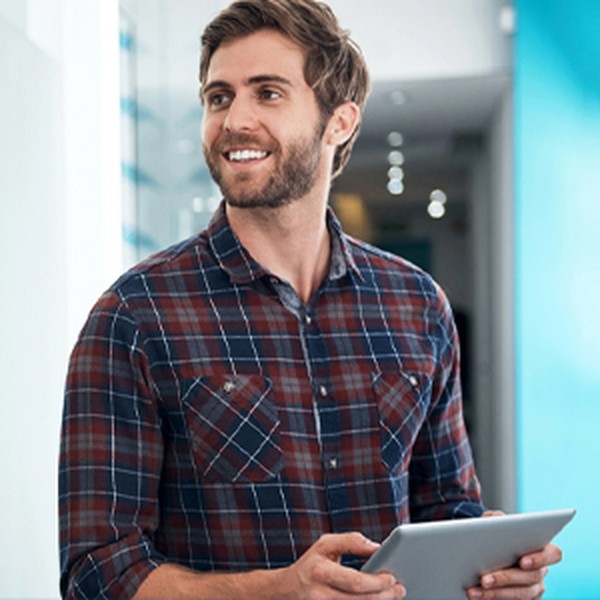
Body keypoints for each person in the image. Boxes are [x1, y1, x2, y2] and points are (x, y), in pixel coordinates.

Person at [58, 1, 562, 598]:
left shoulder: (417, 304)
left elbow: (446, 506)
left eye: (267, 93)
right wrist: (278, 591)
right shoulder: (135, 317)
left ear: (339, 122)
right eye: (219, 97)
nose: (234, 120)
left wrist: (492, 569)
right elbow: (97, 574)